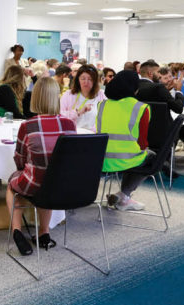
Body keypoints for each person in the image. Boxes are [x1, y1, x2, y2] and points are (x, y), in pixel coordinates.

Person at [6, 77, 75, 256]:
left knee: (13, 185)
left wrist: (24, 169)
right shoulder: (69, 124)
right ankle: (44, 233)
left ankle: (17, 231)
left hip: (35, 184)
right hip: (63, 186)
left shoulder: (27, 126)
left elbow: (19, 160)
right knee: (50, 178)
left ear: (35, 98)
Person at [99, 70, 154, 211]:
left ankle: (123, 196)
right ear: (135, 88)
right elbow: (142, 143)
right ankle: (124, 196)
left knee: (137, 156)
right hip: (127, 160)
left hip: (101, 160)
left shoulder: (102, 105)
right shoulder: (141, 107)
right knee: (151, 156)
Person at [59, 65, 106, 130]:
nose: (86, 82)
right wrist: (78, 112)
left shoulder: (101, 95)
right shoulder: (69, 95)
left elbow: (105, 118)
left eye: (90, 79)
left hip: (94, 135)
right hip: (73, 135)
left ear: (95, 81)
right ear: (78, 80)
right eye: (83, 79)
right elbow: (60, 116)